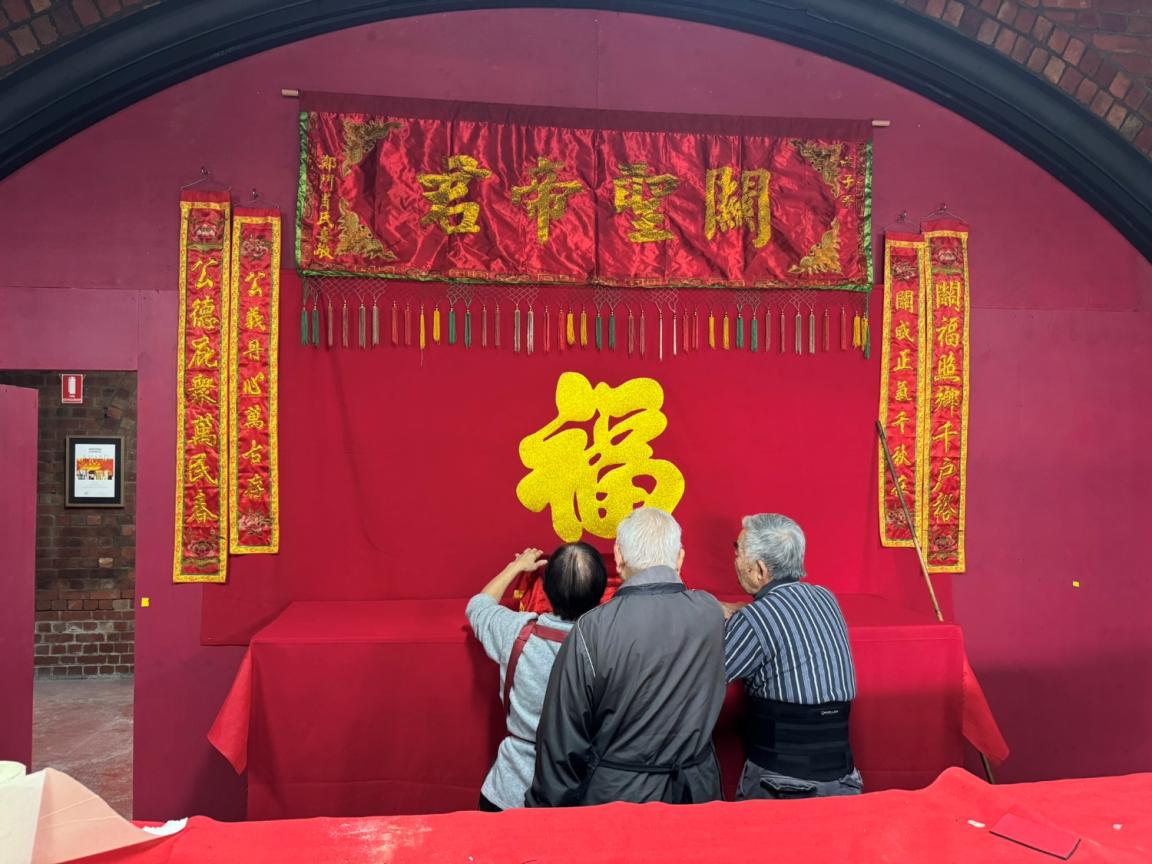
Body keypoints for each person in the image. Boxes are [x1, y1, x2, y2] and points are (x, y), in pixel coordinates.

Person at [527, 507, 726, 807]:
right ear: (680, 558)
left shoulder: (592, 629)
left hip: (619, 799)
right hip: (696, 793)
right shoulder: (709, 613)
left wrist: (545, 815)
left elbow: (562, 742)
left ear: (618, 557)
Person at [724, 513, 861, 800]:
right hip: (844, 778)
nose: (735, 558)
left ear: (760, 569)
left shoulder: (755, 619)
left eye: (738, 549)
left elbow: (701, 679)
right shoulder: (826, 598)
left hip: (782, 784)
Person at [466, 543, 607, 811]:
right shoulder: (611, 648)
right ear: (601, 594)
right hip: (583, 796)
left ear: (546, 590)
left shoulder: (515, 632)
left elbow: (479, 605)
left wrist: (516, 567)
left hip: (509, 792)